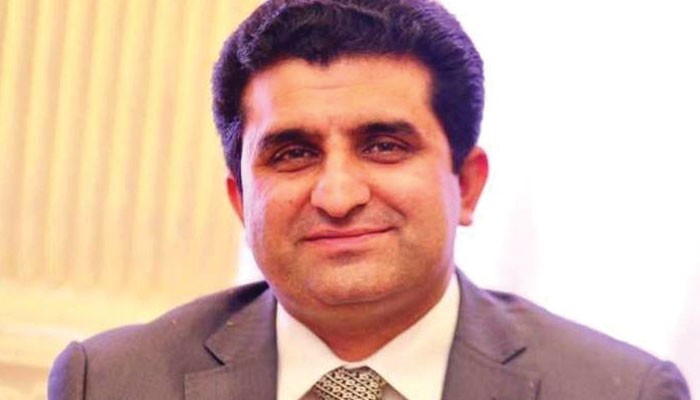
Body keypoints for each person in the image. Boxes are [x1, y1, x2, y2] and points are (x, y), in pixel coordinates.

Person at [48, 0, 691, 399]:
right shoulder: (110, 383)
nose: (337, 195)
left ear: (467, 185)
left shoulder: (617, 392)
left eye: (384, 146)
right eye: (293, 153)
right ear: (241, 202)